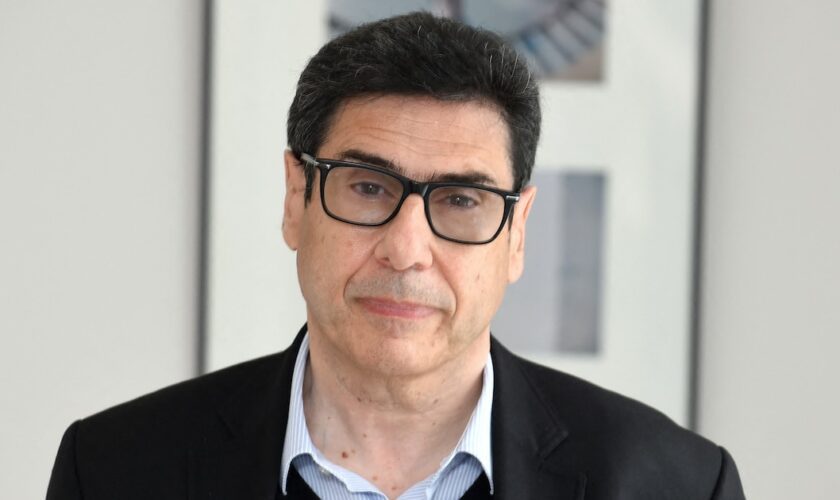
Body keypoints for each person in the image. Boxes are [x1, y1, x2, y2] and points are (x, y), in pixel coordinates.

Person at [47, 12, 745, 500]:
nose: (407, 250)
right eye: (369, 187)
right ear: (296, 199)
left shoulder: (676, 485)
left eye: (461, 201)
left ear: (518, 232)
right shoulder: (115, 470)